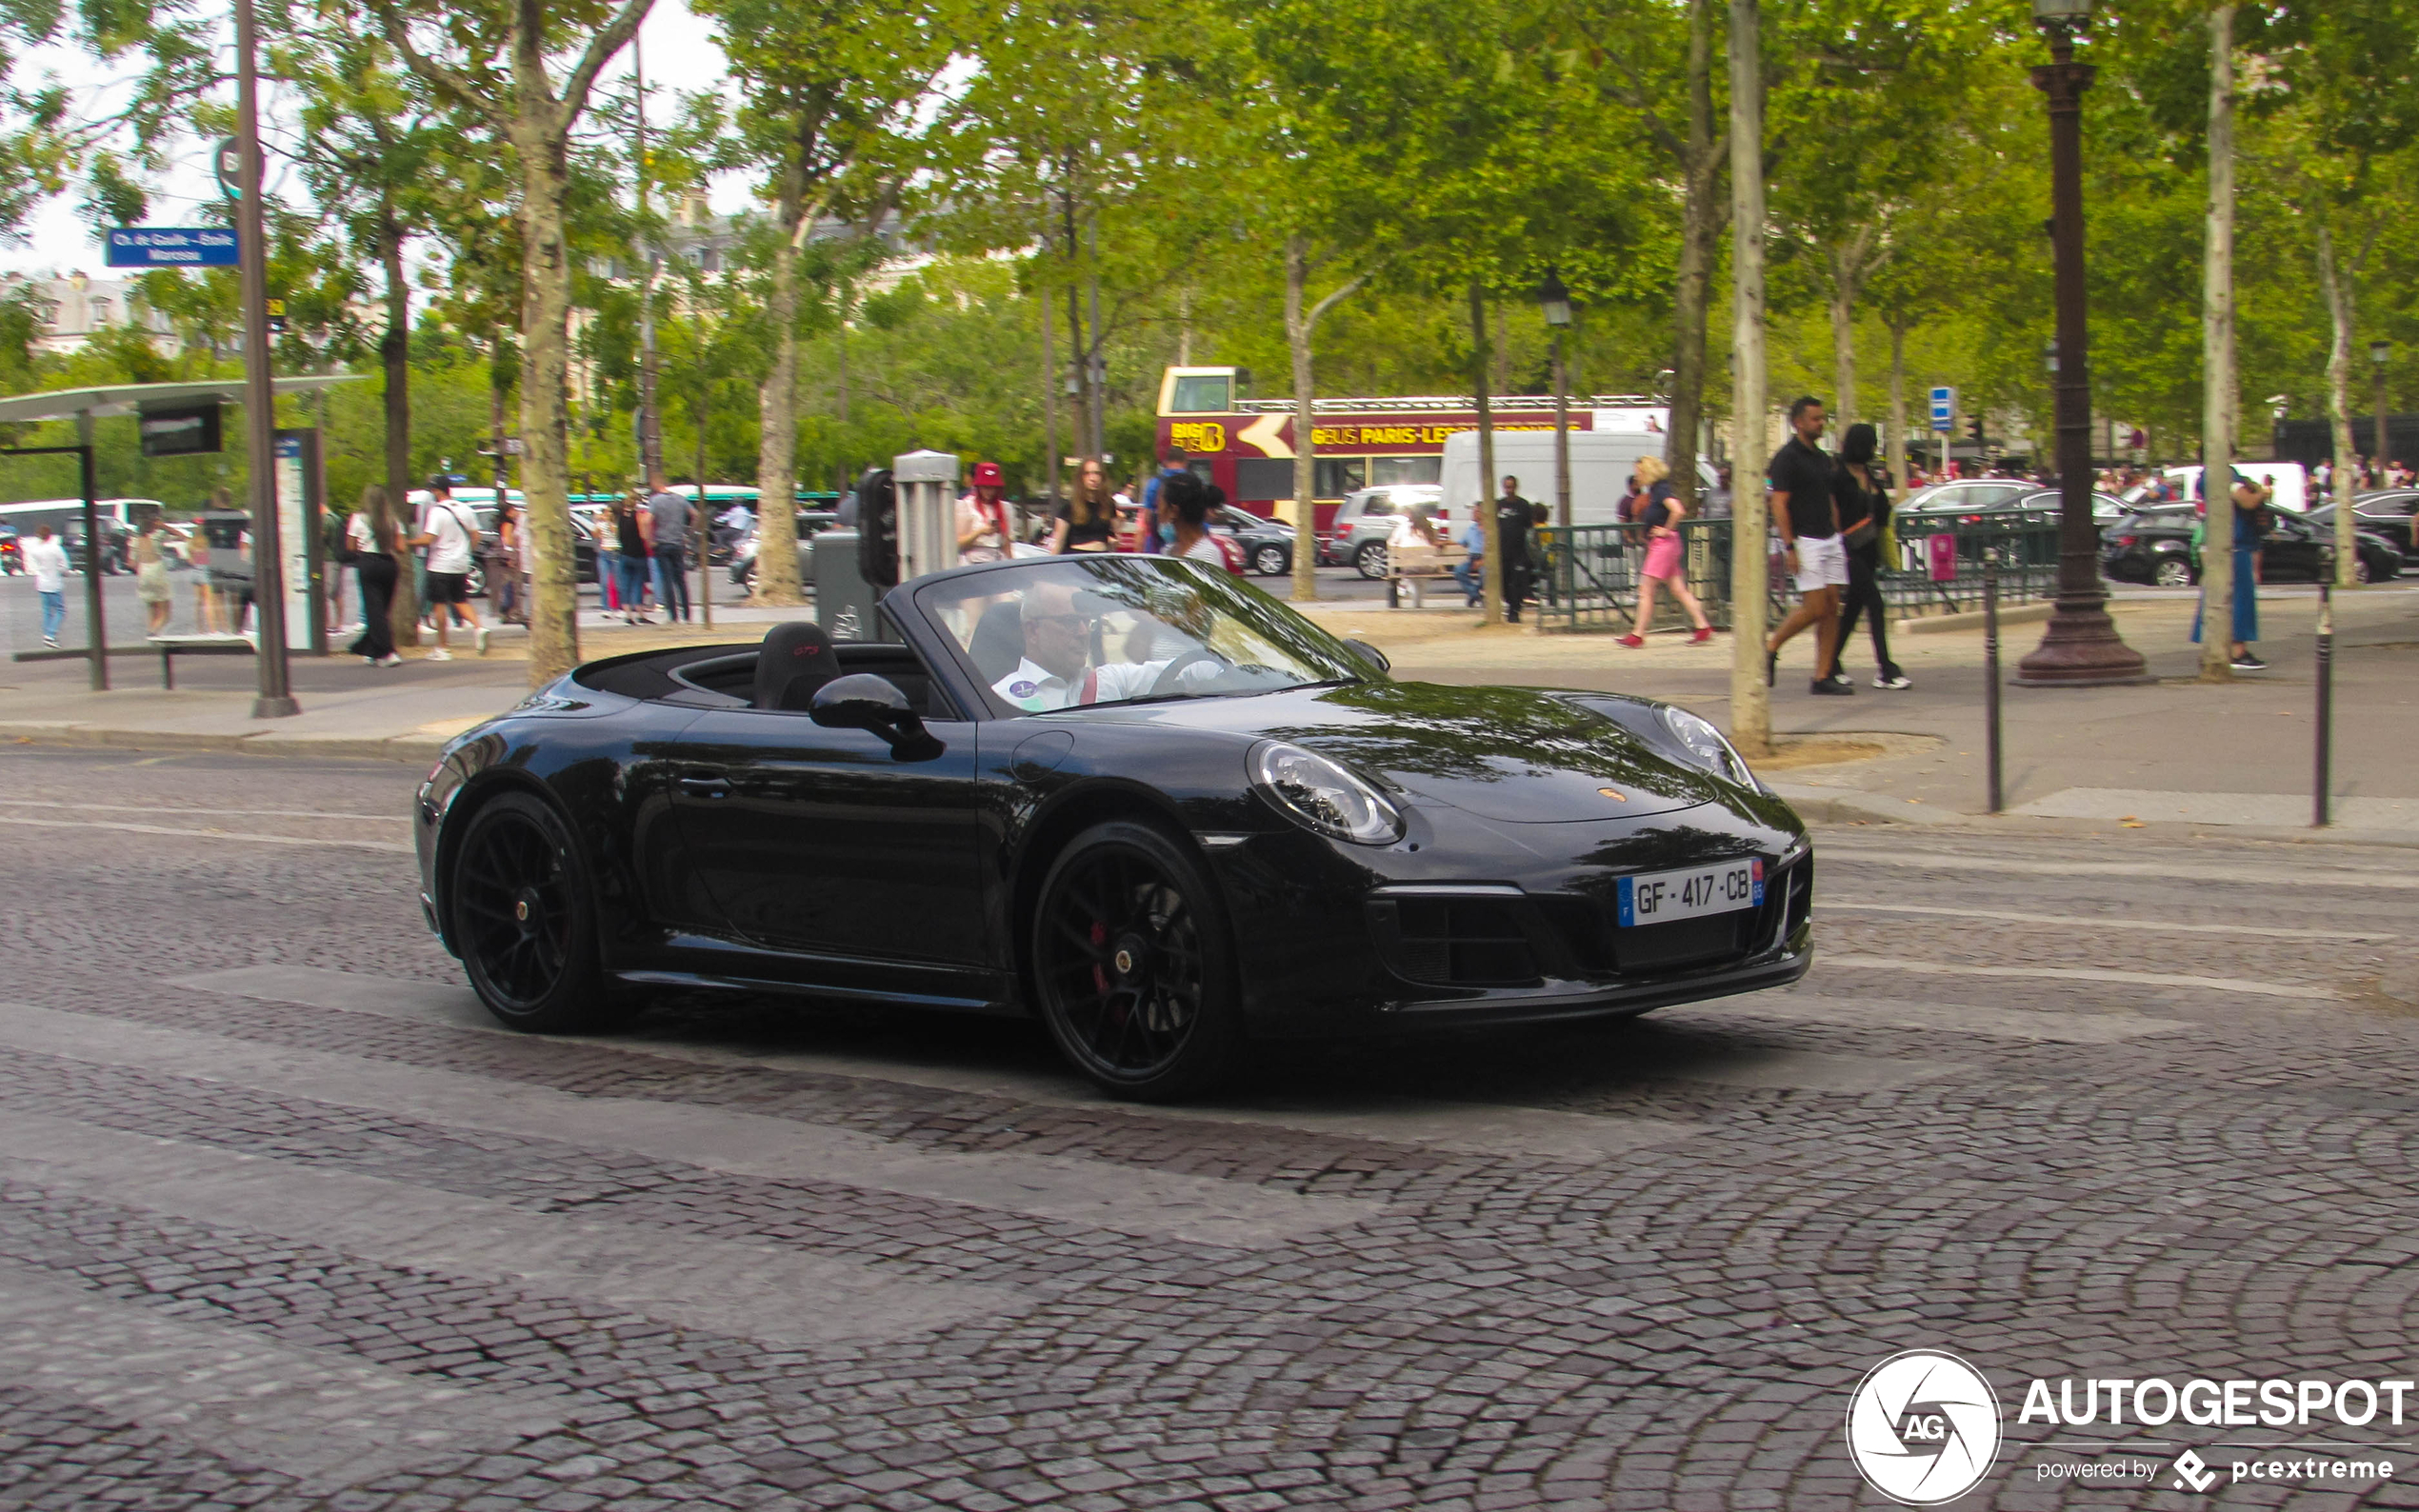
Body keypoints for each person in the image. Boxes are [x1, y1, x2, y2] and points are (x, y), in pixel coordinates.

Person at [989, 578, 1224, 711]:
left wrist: (1245, 675)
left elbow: (1194, 670)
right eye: (1070, 622)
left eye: (1086, 621)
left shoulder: (1111, 681)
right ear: (1033, 631)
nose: (1083, 632)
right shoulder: (1002, 700)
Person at [1763, 396, 1850, 694]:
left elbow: (1830, 498)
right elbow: (1780, 504)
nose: (1821, 423)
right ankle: (1772, 646)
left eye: (1822, 418)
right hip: (1805, 539)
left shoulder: (1822, 457)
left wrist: (1838, 533)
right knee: (1813, 607)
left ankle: (1823, 674)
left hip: (1829, 537)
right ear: (1799, 422)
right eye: (1815, 418)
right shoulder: (1787, 458)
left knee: (1830, 608)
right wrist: (1789, 546)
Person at [1824, 424, 1909, 689]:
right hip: (1849, 550)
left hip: (1869, 549)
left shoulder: (1870, 477)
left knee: (1852, 610)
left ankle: (1831, 661)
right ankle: (1885, 667)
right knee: (1875, 603)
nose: (1874, 449)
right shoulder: (1838, 479)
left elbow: (1881, 511)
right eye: (1872, 444)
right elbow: (1834, 514)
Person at [1618, 456, 1714, 648]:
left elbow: (1677, 510)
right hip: (1665, 544)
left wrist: (1666, 530)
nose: (1638, 476)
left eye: (1640, 472)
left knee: (1646, 589)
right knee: (1678, 589)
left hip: (1663, 544)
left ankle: (1637, 634)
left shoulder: (1661, 489)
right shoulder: (1657, 490)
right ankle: (1703, 626)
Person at [2191, 468, 2268, 670]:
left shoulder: (2203, 478)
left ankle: (2215, 647)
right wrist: (2263, 493)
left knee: (2216, 595)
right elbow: (2247, 501)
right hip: (2233, 544)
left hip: (2216, 541)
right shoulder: (2225, 474)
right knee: (2240, 597)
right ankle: (2237, 650)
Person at [405, 477, 483, 661]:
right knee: (460, 600)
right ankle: (480, 628)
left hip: (440, 564)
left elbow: (428, 539)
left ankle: (442, 647)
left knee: (439, 604)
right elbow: (476, 535)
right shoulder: (465, 509)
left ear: (438, 491)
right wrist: (465, 551)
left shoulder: (437, 511)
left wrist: (408, 542)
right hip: (461, 563)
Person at [347, 491, 403, 666]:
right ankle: (370, 649)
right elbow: (401, 547)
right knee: (382, 609)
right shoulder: (393, 520)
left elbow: (350, 546)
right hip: (389, 563)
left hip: (368, 562)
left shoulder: (358, 519)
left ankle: (387, 651)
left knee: (374, 609)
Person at [641, 472, 693, 623]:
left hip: (662, 543)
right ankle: (687, 614)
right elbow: (695, 514)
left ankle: (673, 615)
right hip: (678, 542)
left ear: (656, 485)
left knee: (667, 580)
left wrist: (649, 539)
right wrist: (688, 533)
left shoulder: (656, 501)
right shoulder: (680, 499)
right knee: (681, 580)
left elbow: (646, 521)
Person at [1046, 458, 1117, 553]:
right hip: (1077, 558)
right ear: (1081, 478)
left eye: (1097, 473)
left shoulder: (1108, 505)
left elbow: (1113, 536)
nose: (1093, 478)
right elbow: (1059, 542)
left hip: (1101, 559)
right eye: (1087, 473)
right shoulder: (1069, 506)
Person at [1162, 472, 1231, 567]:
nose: (1157, 512)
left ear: (1174, 510)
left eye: (1159, 505)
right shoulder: (1168, 551)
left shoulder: (1206, 557)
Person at [956, 461, 1015, 565]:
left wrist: (1012, 564)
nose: (990, 491)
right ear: (978, 487)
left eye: (993, 487)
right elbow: (959, 542)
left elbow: (1006, 543)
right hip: (973, 562)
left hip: (998, 560)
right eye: (986, 487)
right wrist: (981, 532)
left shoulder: (1005, 508)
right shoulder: (966, 505)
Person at [1494, 475, 1535, 623]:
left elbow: (1529, 526)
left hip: (1518, 551)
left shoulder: (1523, 505)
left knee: (1516, 581)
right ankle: (1510, 602)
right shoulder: (1498, 505)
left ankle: (1514, 610)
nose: (1509, 490)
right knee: (1504, 581)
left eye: (1511, 487)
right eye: (1506, 487)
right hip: (1502, 550)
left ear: (1516, 487)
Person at [1137, 448, 1190, 554]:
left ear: (1165, 462)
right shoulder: (1194, 483)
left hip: (1158, 545)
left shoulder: (1154, 483)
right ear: (1185, 462)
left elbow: (1147, 518)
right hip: (1187, 544)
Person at [23, 524, 68, 647]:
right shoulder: (56, 548)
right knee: (60, 610)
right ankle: (50, 635)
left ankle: (47, 634)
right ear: (49, 535)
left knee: (47, 611)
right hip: (54, 583)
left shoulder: (35, 550)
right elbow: (65, 566)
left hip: (41, 582)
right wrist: (59, 570)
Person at [613, 492, 651, 624]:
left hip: (624, 554)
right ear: (636, 503)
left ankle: (628, 615)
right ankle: (640, 613)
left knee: (625, 585)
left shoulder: (620, 517)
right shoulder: (638, 516)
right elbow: (643, 535)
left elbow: (618, 535)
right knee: (637, 584)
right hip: (638, 554)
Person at [131, 514, 172, 636]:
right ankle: (152, 632)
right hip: (157, 569)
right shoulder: (157, 536)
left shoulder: (134, 541)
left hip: (143, 571)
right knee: (165, 612)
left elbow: (132, 563)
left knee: (151, 608)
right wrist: (163, 525)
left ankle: (152, 635)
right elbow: (181, 535)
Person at [1452, 510, 1485, 606]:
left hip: (1486, 558)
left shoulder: (1490, 529)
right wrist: (1446, 543)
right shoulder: (1471, 528)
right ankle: (1476, 595)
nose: (1473, 513)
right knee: (1459, 571)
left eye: (1476, 511)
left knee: (1485, 573)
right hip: (1472, 558)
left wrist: (1483, 561)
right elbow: (1462, 542)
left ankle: (1473, 594)